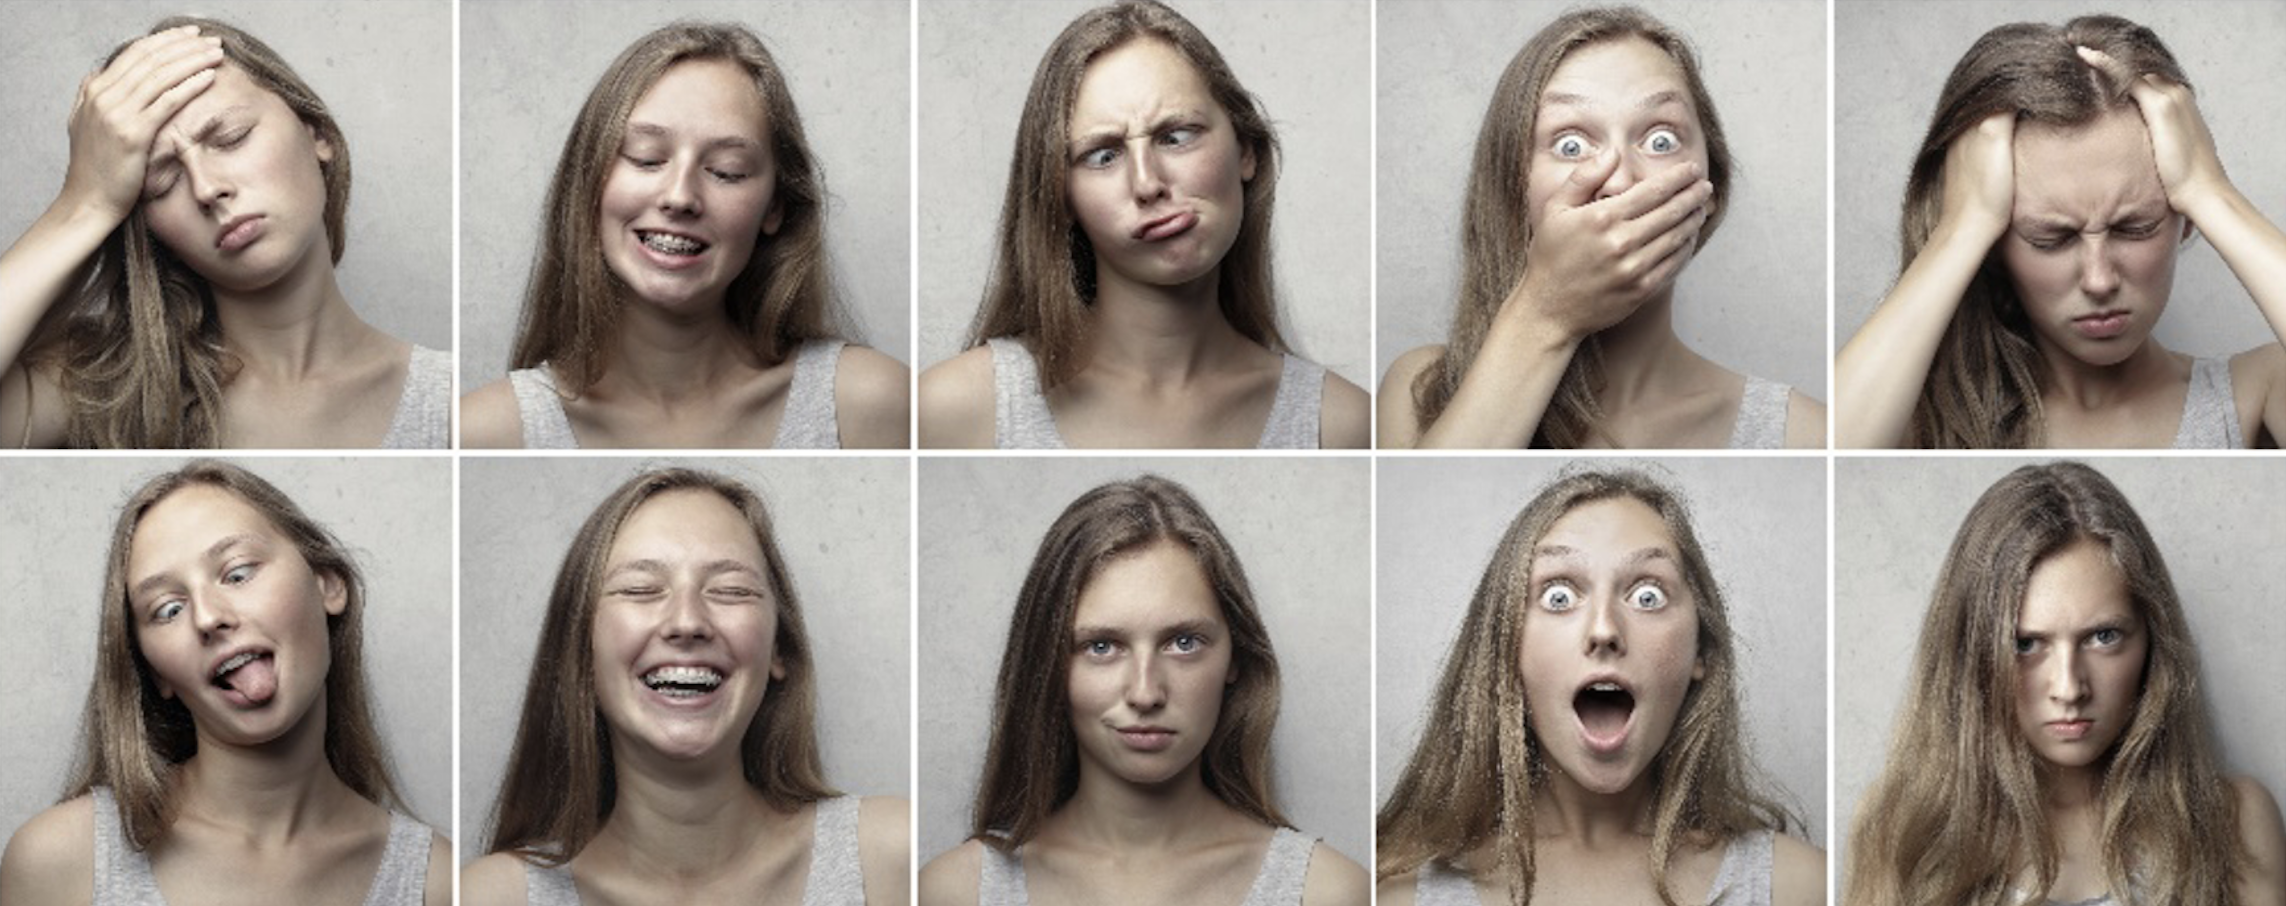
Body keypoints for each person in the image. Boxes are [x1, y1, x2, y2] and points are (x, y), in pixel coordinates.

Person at [917, 0, 1369, 450]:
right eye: (1103, 155)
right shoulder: (955, 409)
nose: (1148, 183)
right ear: (1061, 195)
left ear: (1246, 149)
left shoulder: (1341, 424)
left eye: (1176, 136)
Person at [0, 459, 449, 905]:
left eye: (238, 573)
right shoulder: (61, 862)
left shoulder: (438, 883)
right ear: (157, 673)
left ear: (327, 585)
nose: (209, 617)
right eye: (168, 609)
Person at [1378, 6, 1823, 449]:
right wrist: (1544, 313)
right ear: (1513, 189)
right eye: (1570, 145)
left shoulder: (1801, 434)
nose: (1620, 180)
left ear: (1711, 193)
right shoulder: (1418, 389)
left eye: (1660, 140)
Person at [460, 468, 908, 905]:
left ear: (779, 650)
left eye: (731, 590)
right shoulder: (487, 896)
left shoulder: (891, 860)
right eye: (639, 589)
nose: (688, 621)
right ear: (580, 649)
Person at [1835, 14, 2286, 448]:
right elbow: (1834, 448)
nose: (2099, 280)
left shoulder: (2257, 391)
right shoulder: (1912, 415)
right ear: (1995, 247)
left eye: (2134, 228)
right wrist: (1962, 228)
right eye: (2051, 238)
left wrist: (2210, 193)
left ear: (2184, 220)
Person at [1844, 462, 2286, 904]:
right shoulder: (1899, 829)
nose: (2069, 689)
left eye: (2103, 637)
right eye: (2026, 644)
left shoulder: (2233, 822)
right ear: (1969, 653)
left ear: (2153, 639)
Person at [1376, 469, 1821, 906]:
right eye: (1559, 597)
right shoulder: (1394, 892)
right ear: (1505, 648)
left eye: (1648, 596)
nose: (1605, 629)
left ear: (1699, 650)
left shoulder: (1802, 888)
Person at [0, 18, 450, 448]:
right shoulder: (102, 388)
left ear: (317, 134)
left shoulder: (452, 404)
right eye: (162, 181)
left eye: (231, 138)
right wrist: (83, 203)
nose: (208, 188)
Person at [919, 476, 1368, 905]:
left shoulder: (1330, 893)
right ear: (1047, 663)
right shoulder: (955, 892)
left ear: (1235, 658)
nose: (1145, 692)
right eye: (1101, 646)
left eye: (1183, 643)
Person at [460, 22, 908, 449]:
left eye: (726, 172)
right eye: (647, 158)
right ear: (588, 182)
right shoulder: (484, 430)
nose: (680, 196)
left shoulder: (871, 403)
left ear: (775, 206)